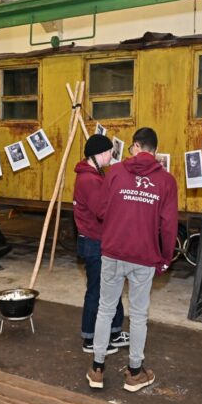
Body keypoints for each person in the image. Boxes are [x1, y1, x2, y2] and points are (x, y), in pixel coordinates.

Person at [87, 127, 177, 392]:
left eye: (131, 147)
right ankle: (135, 372)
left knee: (105, 309)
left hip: (113, 252)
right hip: (144, 256)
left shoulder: (115, 172)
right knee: (138, 315)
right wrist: (165, 258)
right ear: (154, 150)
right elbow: (169, 225)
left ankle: (97, 369)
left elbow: (101, 211)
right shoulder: (166, 181)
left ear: (136, 146)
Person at [74, 135, 129, 356]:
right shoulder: (89, 180)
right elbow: (102, 211)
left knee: (112, 288)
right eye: (110, 153)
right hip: (94, 243)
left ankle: (114, 332)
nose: (111, 156)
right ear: (100, 154)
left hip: (101, 241)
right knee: (97, 292)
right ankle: (89, 338)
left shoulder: (95, 175)